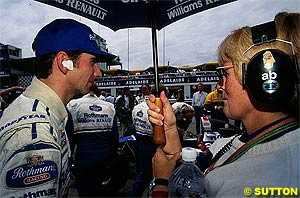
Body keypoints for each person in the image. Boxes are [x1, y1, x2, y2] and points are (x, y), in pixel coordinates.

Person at [147, 16, 299, 197]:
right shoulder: (255, 145)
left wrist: (161, 184)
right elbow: (192, 167)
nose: (219, 86)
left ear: (263, 75)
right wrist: (170, 129)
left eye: (224, 74)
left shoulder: (267, 180)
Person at [0, 18, 115, 197]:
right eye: (92, 62)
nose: (98, 72)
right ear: (64, 62)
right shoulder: (37, 138)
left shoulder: (39, 112)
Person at [66, 83, 119, 197]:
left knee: (85, 191)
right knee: (102, 190)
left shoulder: (73, 105)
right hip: (104, 157)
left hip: (83, 158)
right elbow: (114, 137)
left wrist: (69, 160)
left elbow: (69, 137)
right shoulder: (109, 107)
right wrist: (113, 157)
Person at [130, 84, 166, 197]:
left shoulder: (137, 107)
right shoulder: (159, 109)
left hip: (140, 142)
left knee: (143, 174)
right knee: (157, 176)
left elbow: (134, 126)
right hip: (154, 145)